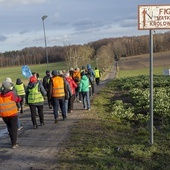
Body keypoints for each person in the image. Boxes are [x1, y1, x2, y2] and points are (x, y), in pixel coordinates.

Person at [0, 81, 21, 149]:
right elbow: (18, 99)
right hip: (13, 114)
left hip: (4, 115)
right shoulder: (11, 93)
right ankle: (14, 143)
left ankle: (12, 141)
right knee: (14, 129)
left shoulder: (0, 95)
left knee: (9, 128)